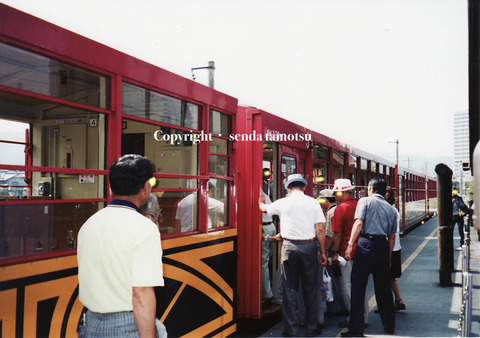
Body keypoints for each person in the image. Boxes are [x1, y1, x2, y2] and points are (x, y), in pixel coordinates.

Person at [77, 154, 166, 337]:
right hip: (127, 326)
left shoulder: (89, 224)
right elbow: (141, 294)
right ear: (145, 187)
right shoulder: (144, 228)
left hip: (89, 323)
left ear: (112, 186)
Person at [259, 173, 327, 337]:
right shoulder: (313, 203)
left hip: (289, 247)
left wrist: (259, 196)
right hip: (309, 247)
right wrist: (323, 251)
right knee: (310, 289)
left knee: (289, 289)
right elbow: (320, 229)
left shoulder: (283, 202)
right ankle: (311, 329)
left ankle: (291, 330)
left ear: (288, 188)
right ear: (304, 187)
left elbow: (263, 208)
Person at [342, 178, 397, 337]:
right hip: (382, 245)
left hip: (366, 244)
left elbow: (359, 223)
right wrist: (388, 257)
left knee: (358, 286)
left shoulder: (364, 201)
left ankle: (356, 329)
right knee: (383, 288)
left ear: (370, 189)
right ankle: (389, 325)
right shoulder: (392, 209)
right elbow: (392, 237)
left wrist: (350, 244)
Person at [331, 179, 369, 328]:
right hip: (362, 250)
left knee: (347, 286)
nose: (335, 194)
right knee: (361, 286)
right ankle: (364, 316)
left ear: (342, 192)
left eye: (336, 192)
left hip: (346, 254)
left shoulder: (340, 208)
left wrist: (335, 252)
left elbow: (338, 234)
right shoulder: (359, 205)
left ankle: (353, 317)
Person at [384, 186, 406, 311]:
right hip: (396, 247)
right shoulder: (394, 210)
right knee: (391, 277)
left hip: (389, 248)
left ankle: (387, 304)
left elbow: (389, 235)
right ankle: (398, 300)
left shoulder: (388, 211)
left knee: (385, 277)